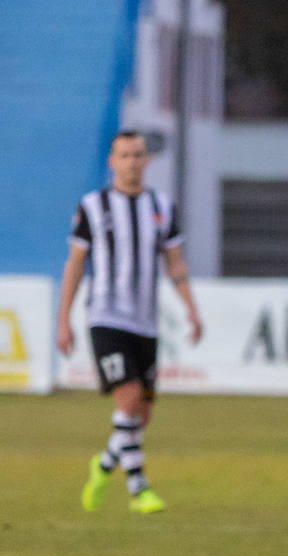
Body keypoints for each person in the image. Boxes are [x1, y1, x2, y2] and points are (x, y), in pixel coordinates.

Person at [57, 130, 203, 514]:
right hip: (105, 316)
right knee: (130, 395)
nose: (132, 162)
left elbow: (175, 264)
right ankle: (139, 490)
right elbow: (75, 264)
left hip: (146, 322)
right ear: (112, 161)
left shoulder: (162, 207)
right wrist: (64, 320)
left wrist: (191, 307)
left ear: (147, 160)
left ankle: (104, 464)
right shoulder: (93, 206)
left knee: (142, 414)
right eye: (124, 155)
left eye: (138, 155)